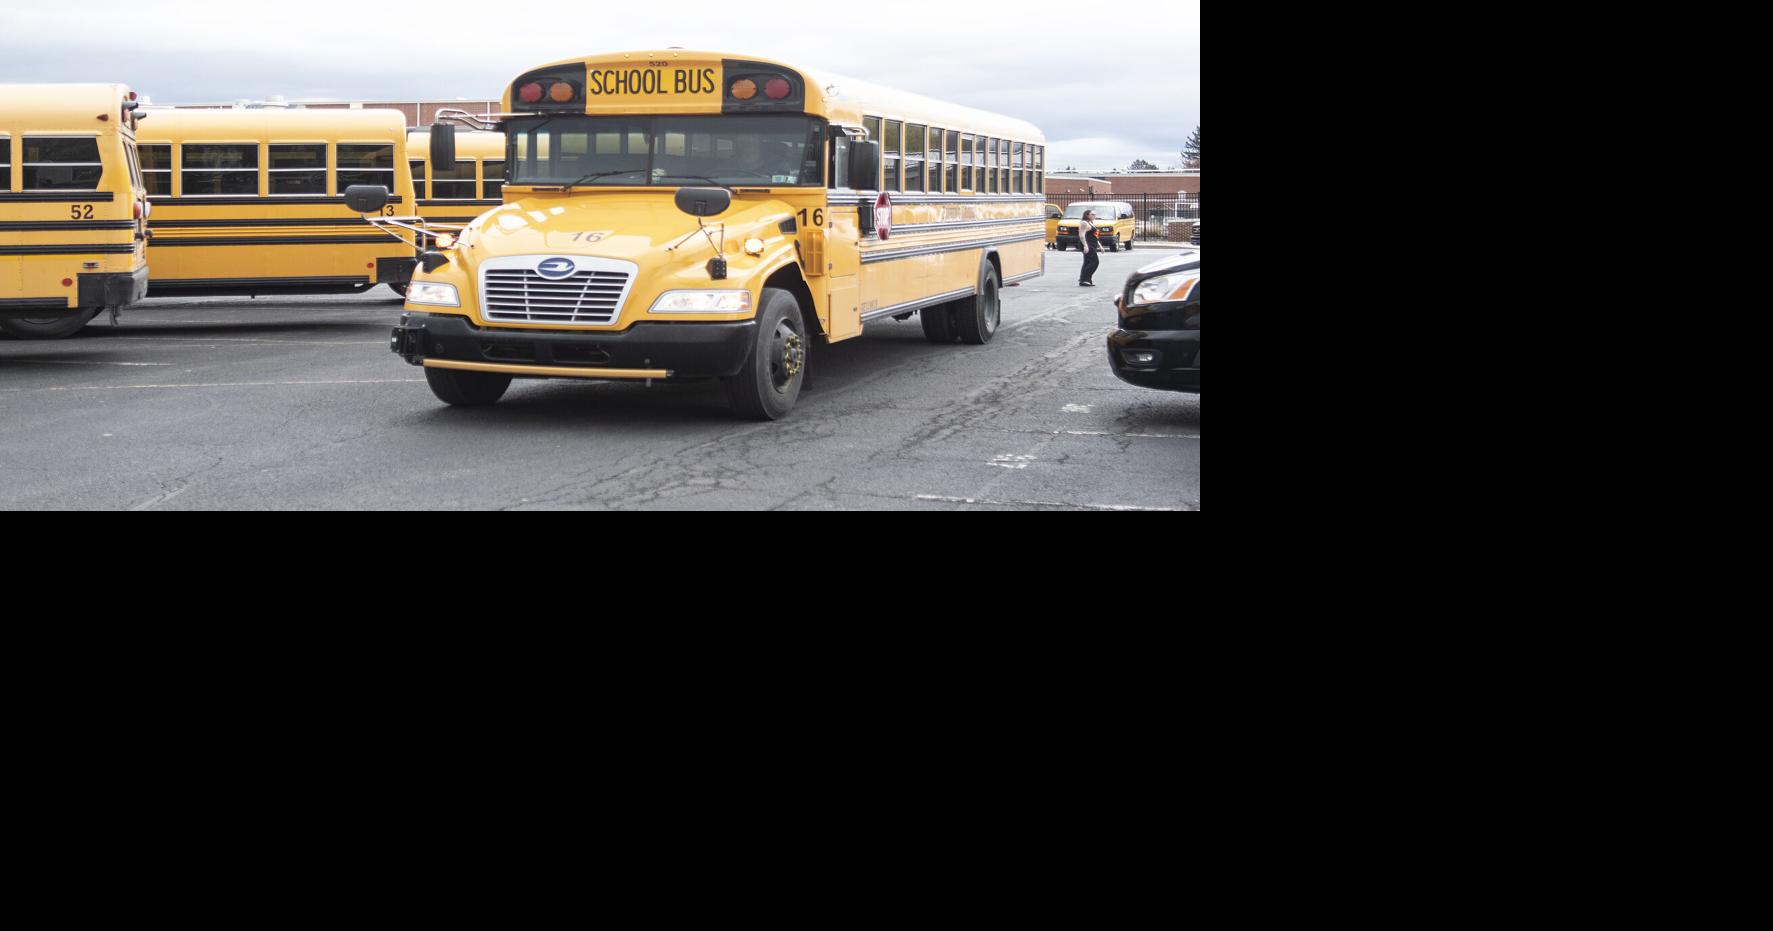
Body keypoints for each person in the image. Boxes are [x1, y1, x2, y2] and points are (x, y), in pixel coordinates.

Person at [1079, 209, 1101, 287]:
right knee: (1094, 262)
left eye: (1095, 214)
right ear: (1087, 215)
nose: (1094, 216)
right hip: (1088, 245)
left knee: (1087, 262)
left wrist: (1100, 246)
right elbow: (1081, 235)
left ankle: (1085, 280)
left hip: (1093, 244)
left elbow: (1095, 236)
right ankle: (1084, 279)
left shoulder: (1091, 223)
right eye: (1092, 214)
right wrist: (1085, 245)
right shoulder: (1084, 223)